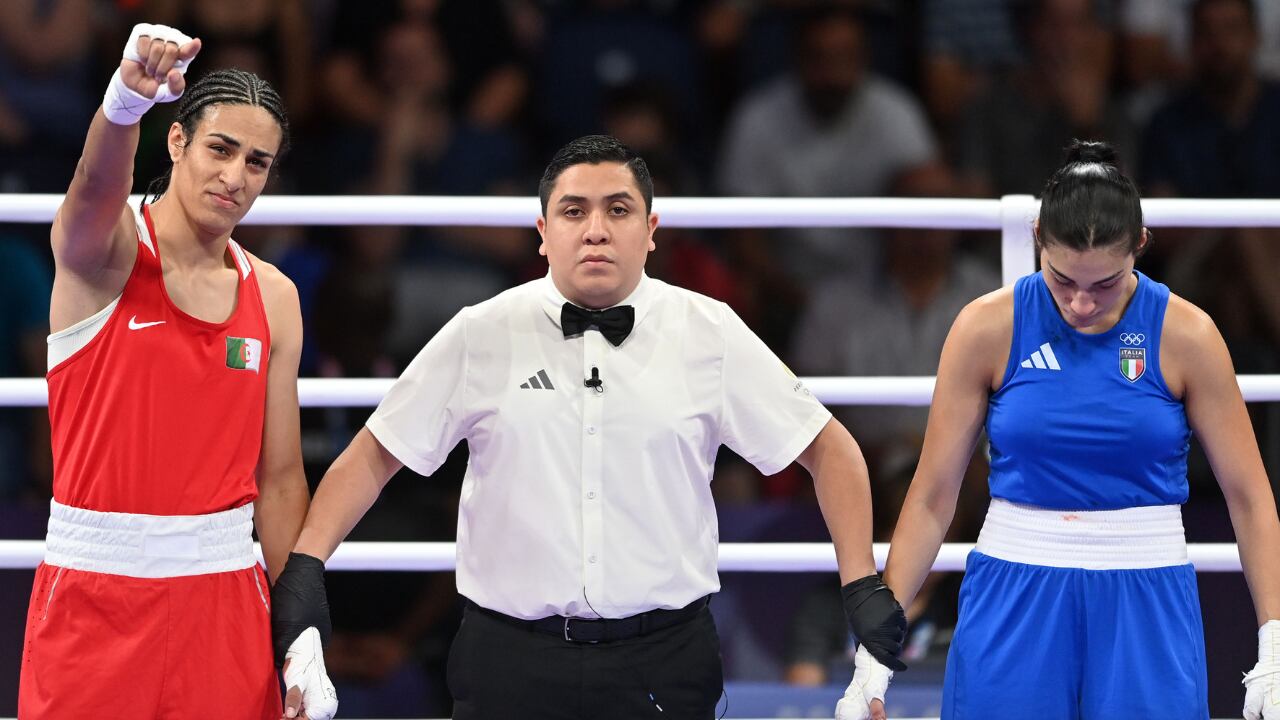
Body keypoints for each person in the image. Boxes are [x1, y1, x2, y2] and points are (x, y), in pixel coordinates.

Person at [268, 134, 908, 720]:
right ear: (543, 232)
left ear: (651, 230)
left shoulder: (708, 331)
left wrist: (860, 585)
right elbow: (376, 453)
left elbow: (830, 450)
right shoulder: (481, 331)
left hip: (664, 658)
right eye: (574, 211)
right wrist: (304, 571)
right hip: (507, 658)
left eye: (618, 210)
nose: (596, 230)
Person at [871, 139, 1280, 719]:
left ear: (1140, 245)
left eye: (1105, 284)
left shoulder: (1187, 336)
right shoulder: (986, 328)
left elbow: (1251, 497)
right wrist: (876, 647)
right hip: (1014, 591)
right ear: (1038, 237)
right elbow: (933, 495)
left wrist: (1275, 641)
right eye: (1063, 280)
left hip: (1146, 594)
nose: (1082, 304)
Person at [16, 23, 332, 719]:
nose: (235, 177)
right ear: (178, 141)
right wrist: (124, 104)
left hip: (225, 599)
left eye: (257, 162)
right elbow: (93, 191)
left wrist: (301, 628)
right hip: (95, 595)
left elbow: (280, 478)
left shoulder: (274, 296)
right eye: (221, 148)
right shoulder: (105, 256)